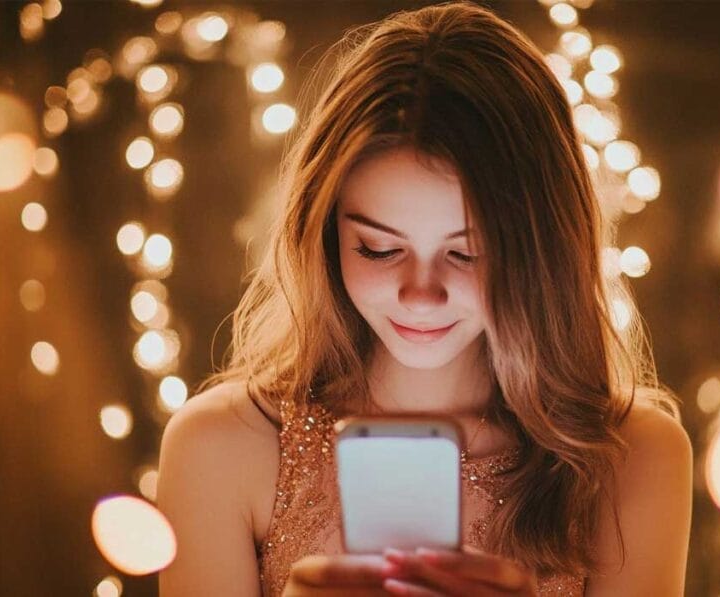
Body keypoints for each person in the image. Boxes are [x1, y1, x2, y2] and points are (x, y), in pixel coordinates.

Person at [157, 1, 692, 595]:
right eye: (380, 250)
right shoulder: (223, 448)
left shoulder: (629, 458)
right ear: (326, 234)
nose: (420, 295)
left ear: (543, 250)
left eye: (467, 253)